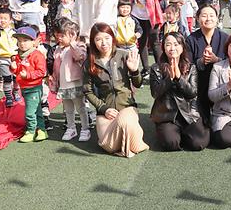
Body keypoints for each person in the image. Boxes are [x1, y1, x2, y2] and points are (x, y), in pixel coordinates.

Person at [84, 23, 148, 158]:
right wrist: (103, 108)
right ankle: (129, 134)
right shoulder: (90, 62)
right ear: (93, 42)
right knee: (108, 146)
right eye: (98, 39)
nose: (103, 43)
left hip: (126, 106)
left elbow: (138, 83)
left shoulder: (124, 55)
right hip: (106, 111)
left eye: (107, 38)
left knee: (124, 122)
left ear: (113, 38)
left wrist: (135, 71)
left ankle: (131, 134)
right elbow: (87, 91)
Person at [150, 31, 209, 151]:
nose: (172, 48)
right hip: (166, 114)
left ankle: (191, 131)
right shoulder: (156, 68)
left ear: (182, 47)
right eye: (168, 44)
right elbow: (155, 93)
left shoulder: (191, 67)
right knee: (170, 143)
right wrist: (170, 79)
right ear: (163, 48)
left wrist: (179, 78)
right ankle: (169, 132)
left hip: (188, 112)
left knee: (198, 144)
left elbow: (192, 93)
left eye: (176, 44)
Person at [185, 5, 229, 125]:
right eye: (204, 16)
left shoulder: (225, 38)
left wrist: (217, 60)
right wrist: (201, 61)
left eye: (211, 15)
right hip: (199, 87)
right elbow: (187, 65)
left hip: (220, 86)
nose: (208, 19)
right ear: (198, 19)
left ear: (217, 18)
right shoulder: (191, 39)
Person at [48, 18, 90, 142]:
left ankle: (85, 128)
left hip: (75, 83)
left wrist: (72, 44)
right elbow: (56, 67)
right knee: (68, 109)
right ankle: (71, 128)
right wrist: (54, 80)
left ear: (72, 35)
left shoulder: (79, 45)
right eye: (57, 36)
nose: (59, 38)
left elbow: (80, 56)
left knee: (81, 107)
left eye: (62, 36)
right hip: (63, 84)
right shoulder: (58, 49)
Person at [11, 26, 48, 143]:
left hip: (34, 87)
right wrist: (13, 69)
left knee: (29, 112)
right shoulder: (18, 56)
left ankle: (31, 131)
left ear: (34, 42)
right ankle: (41, 130)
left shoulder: (37, 55)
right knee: (36, 110)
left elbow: (42, 72)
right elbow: (18, 71)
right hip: (24, 87)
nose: (22, 44)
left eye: (25, 40)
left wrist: (27, 75)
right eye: (19, 41)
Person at [0, 8, 17, 107]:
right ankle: (8, 97)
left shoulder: (14, 31)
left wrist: (19, 22)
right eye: (0, 18)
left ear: (10, 20)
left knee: (17, 78)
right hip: (2, 58)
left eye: (5, 18)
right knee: (7, 78)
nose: (2, 20)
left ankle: (16, 92)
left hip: (16, 58)